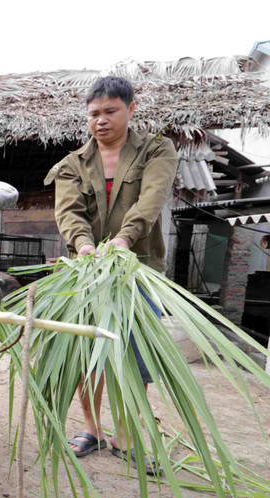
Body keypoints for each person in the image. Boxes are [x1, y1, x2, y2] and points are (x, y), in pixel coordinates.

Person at [44, 76, 178, 474]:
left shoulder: (157, 150)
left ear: (130, 109)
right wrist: (84, 246)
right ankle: (91, 429)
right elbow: (69, 213)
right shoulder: (71, 164)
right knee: (85, 354)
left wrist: (123, 240)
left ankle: (125, 436)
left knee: (134, 357)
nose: (101, 120)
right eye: (94, 113)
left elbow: (151, 200)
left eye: (110, 111)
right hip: (83, 274)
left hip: (137, 270)